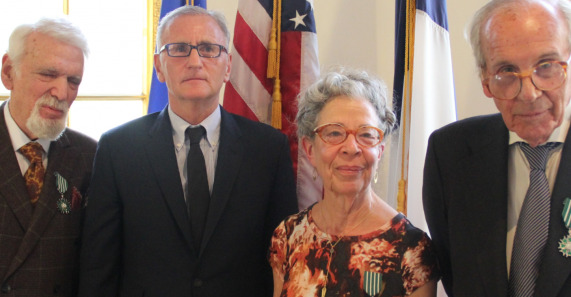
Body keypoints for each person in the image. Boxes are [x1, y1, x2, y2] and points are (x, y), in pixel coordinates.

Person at [78, 5, 298, 297]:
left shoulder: (269, 150)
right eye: (180, 48)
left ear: (228, 65)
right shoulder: (118, 149)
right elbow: (99, 267)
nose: (195, 61)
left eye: (208, 48)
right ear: (159, 66)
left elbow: (284, 259)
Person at [423, 0, 571, 296]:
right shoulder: (451, 152)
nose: (529, 93)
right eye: (507, 71)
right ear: (486, 81)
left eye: (546, 66)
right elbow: (455, 274)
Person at [269, 68, 440, 297]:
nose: (351, 148)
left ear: (379, 150)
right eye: (334, 133)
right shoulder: (288, 236)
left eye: (366, 134)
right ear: (310, 150)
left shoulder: (411, 248)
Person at [0, 18, 96, 296]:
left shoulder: (90, 157)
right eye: (48, 74)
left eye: (73, 81)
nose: (62, 93)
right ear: (8, 73)